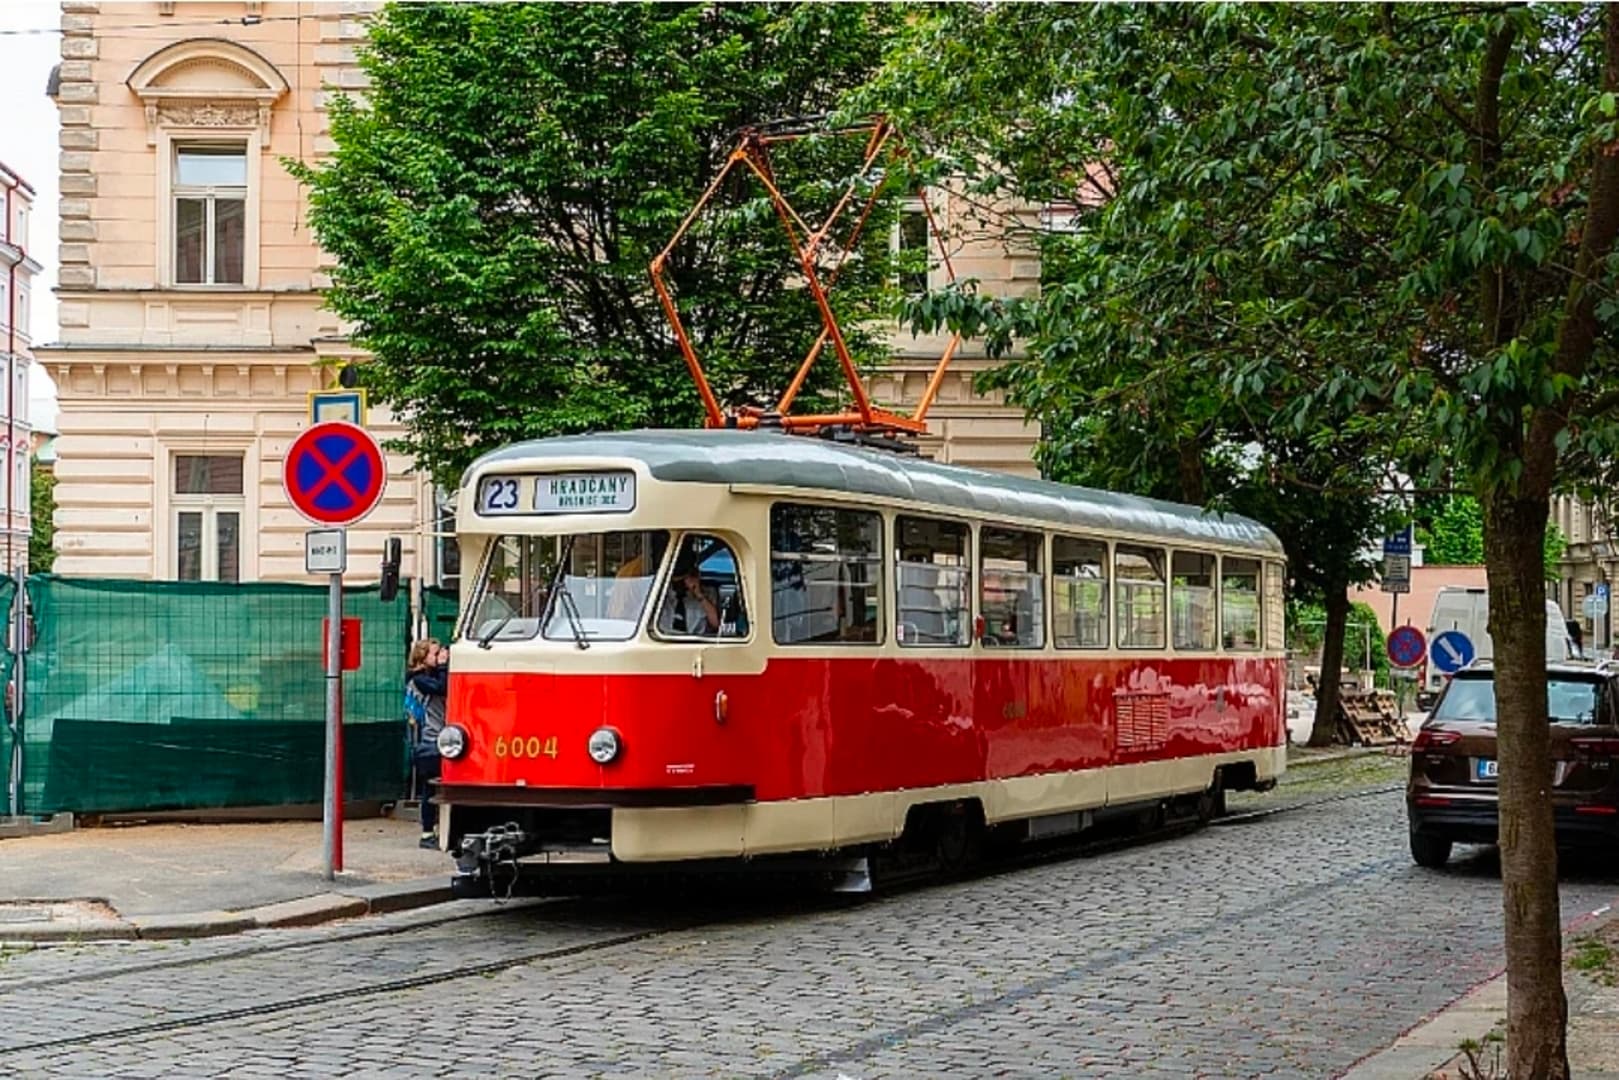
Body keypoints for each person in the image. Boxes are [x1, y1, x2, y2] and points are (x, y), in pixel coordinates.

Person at [407, 639, 449, 849]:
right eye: (435, 654)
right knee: (430, 789)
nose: (439, 657)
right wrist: (443, 666)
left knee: (436, 788)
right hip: (429, 740)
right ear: (423, 658)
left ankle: (435, 830)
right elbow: (442, 688)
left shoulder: (429, 677)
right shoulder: (418, 680)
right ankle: (426, 833)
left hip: (441, 738)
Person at [662, 564, 720, 636]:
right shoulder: (662, 593)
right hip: (665, 639)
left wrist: (699, 594)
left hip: (695, 641)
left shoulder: (708, 593)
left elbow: (716, 623)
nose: (681, 585)